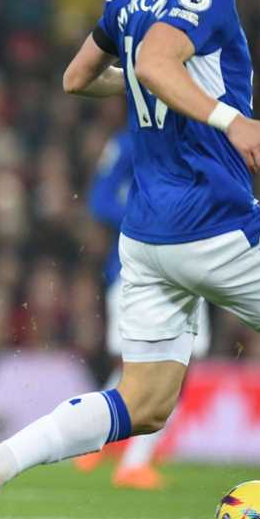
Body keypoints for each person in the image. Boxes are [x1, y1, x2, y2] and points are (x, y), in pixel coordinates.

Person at [0, 0, 260, 519]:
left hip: (148, 239)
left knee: (144, 403)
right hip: (214, 222)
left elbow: (76, 77)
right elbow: (154, 64)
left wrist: (148, 81)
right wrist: (233, 121)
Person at [74, 130, 211, 490]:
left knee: (162, 366)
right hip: (136, 270)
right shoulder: (129, 143)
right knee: (153, 366)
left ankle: (93, 441)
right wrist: (152, 214)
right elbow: (100, 199)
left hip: (185, 269)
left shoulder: (194, 140)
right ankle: (125, 458)